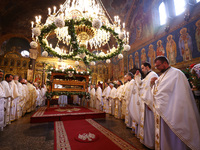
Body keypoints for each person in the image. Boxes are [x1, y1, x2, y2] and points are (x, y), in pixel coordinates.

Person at [151, 56, 200, 150]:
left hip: (175, 109)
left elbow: (165, 92)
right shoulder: (163, 76)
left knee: (176, 132)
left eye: (158, 66)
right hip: (165, 110)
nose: (157, 68)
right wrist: (153, 84)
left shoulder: (176, 73)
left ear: (165, 63)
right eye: (156, 66)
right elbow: (157, 91)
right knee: (166, 135)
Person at [135, 62, 158, 149]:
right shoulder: (147, 76)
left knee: (149, 123)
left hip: (148, 103)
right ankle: (145, 140)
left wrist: (151, 102)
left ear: (147, 67)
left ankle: (150, 142)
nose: (142, 70)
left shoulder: (153, 74)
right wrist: (137, 76)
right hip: (144, 103)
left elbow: (153, 89)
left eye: (143, 68)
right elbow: (141, 85)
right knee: (145, 123)